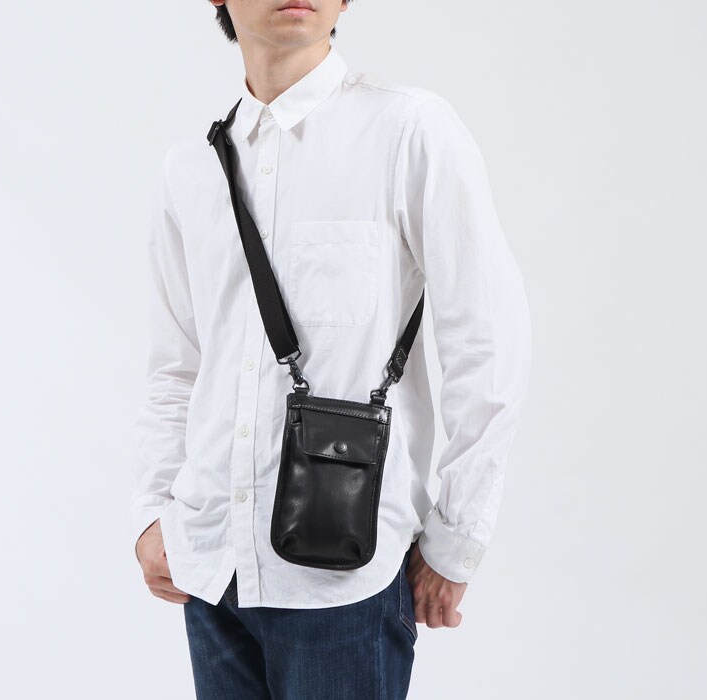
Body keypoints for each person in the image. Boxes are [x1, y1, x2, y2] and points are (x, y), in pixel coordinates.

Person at [130, 1, 532, 697]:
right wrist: (153, 510)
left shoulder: (407, 130)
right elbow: (177, 364)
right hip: (211, 564)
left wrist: (457, 540)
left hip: (345, 574)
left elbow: (488, 341)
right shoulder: (191, 169)